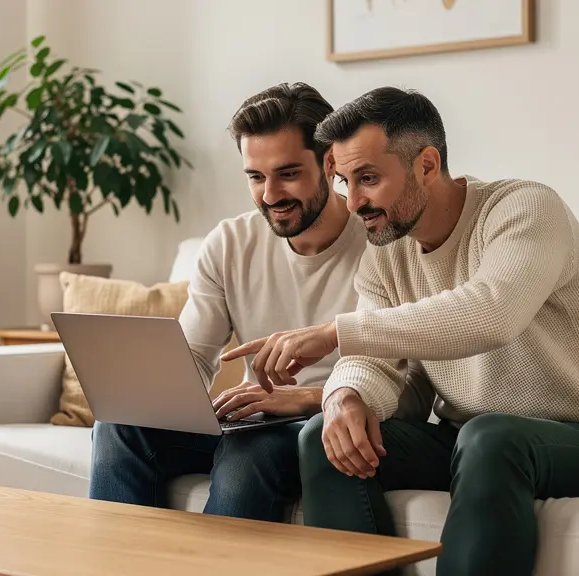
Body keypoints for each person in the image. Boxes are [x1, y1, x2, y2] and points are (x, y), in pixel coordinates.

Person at [221, 86, 579, 573]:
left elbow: (492, 313)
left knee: (490, 437)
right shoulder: (385, 254)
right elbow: (372, 365)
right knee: (325, 435)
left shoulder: (526, 209)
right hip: (465, 439)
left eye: (367, 178)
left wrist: (334, 333)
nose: (354, 201)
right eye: (344, 181)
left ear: (426, 165)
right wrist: (343, 395)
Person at [88, 82, 430, 523]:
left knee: (248, 453)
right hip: (254, 421)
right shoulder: (229, 243)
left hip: (324, 426)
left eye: (288, 173)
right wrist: (151, 392)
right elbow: (194, 355)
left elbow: (416, 390)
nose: (270, 195)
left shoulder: (382, 238)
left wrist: (309, 397)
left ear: (330, 164)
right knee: (119, 427)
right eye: (255, 177)